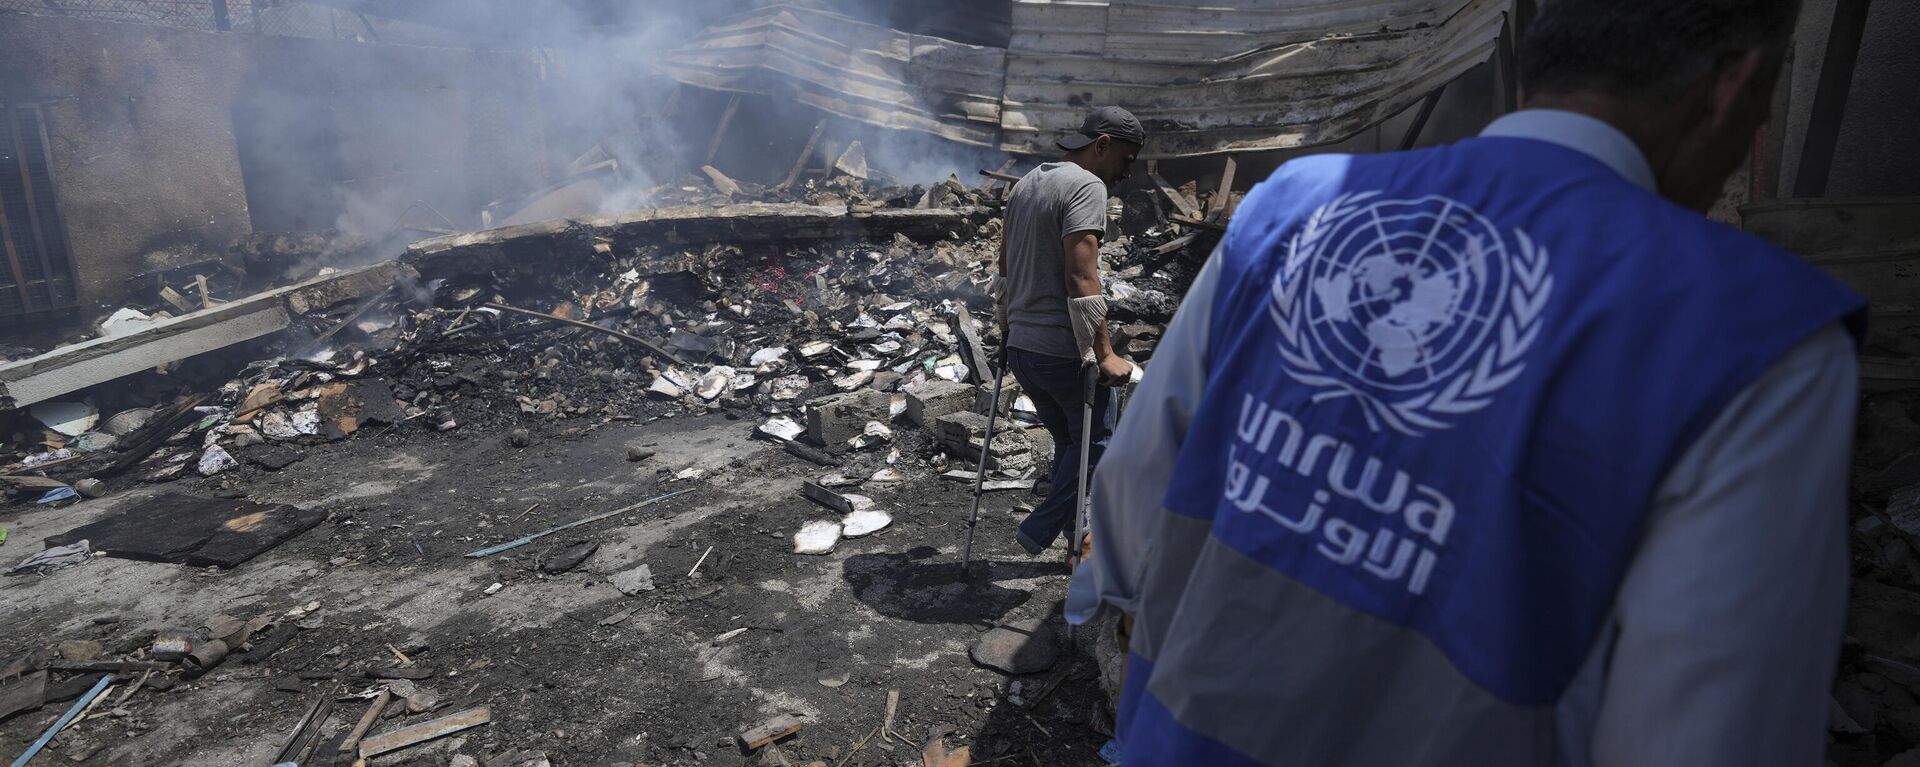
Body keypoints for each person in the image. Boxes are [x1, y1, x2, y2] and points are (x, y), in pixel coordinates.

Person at [1070, 0, 1865, 764]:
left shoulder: (1292, 207)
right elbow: (1705, 736)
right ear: (1734, 86)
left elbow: (1136, 500)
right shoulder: (1755, 338)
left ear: (1534, 69)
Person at [992, 106, 1144, 558]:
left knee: (1070, 444)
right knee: (1098, 443)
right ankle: (1041, 528)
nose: (1125, 174)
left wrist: (1006, 330)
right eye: (1126, 160)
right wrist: (1105, 355)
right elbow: (1081, 279)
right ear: (1102, 145)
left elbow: (1002, 270)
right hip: (1062, 352)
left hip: (1024, 349)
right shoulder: (1086, 185)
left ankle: (1076, 533)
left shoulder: (1027, 184)